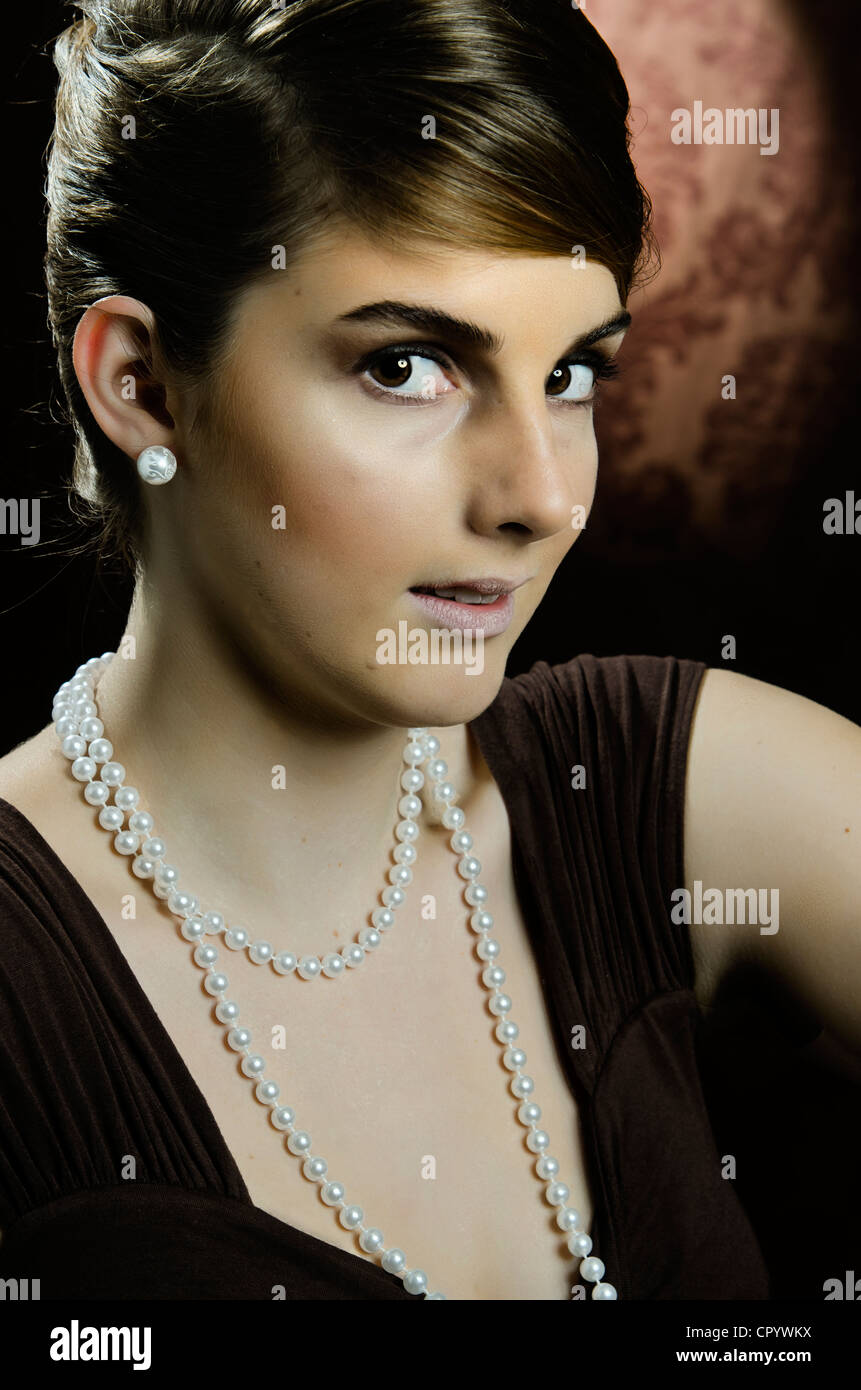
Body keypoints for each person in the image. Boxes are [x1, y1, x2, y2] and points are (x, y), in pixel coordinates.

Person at [0, 0, 858, 1302]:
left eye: (571, 375)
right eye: (407, 365)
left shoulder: (678, 788)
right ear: (141, 384)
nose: (538, 494)